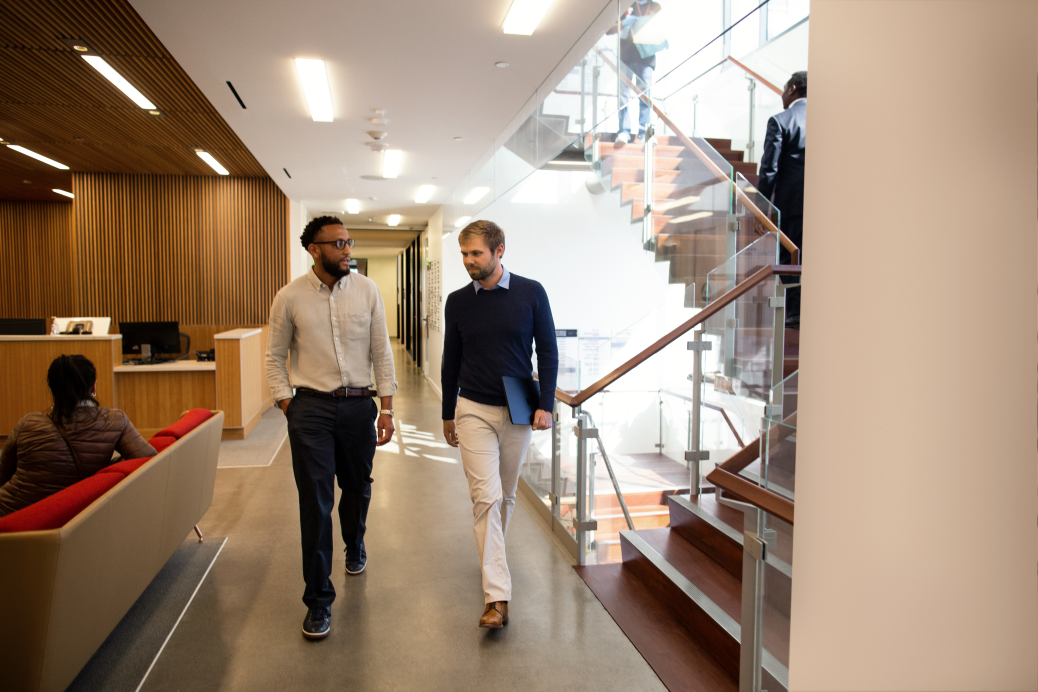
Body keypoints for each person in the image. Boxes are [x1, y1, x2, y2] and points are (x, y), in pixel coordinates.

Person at [265, 216, 397, 640]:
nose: (346, 249)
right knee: (316, 503)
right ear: (314, 249)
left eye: (348, 241)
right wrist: (288, 404)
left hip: (360, 407)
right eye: (337, 243)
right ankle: (318, 599)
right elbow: (274, 358)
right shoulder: (289, 297)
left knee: (357, 487)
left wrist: (388, 408)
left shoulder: (367, 290)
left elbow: (382, 349)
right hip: (312, 410)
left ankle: (354, 540)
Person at [441, 220, 558, 629]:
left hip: (520, 406)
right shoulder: (457, 301)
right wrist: (446, 411)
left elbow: (547, 350)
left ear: (499, 251)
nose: (469, 261)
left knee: (506, 497)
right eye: (464, 254)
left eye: (476, 253)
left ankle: (492, 563)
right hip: (472, 406)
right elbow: (450, 360)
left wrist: (547, 404)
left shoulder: (531, 293)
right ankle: (498, 598)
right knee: (486, 498)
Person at [0, 354, 156, 517]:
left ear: (53, 388)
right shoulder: (114, 420)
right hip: (76, 517)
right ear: (93, 387)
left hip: (14, 514)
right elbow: (151, 463)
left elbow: (3, 476)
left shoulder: (27, 423)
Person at [757, 70, 807, 328]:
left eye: (783, 87)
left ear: (793, 89)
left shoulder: (781, 120)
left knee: (790, 258)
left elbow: (769, 169)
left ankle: (796, 313)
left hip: (791, 205)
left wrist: (761, 207)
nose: (781, 93)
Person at [609, 0, 665, 146]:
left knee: (645, 97)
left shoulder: (655, 7)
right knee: (623, 96)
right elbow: (608, 30)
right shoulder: (624, 6)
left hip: (646, 58)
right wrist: (624, 23)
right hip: (626, 57)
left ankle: (644, 133)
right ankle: (623, 131)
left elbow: (661, 30)